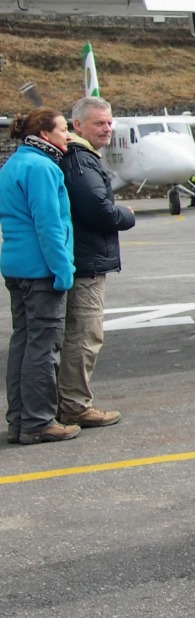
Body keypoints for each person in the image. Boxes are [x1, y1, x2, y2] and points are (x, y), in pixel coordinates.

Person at [56, 96, 135, 432]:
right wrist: (126, 215)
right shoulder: (81, 160)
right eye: (99, 123)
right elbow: (98, 209)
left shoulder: (78, 158)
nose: (107, 128)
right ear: (77, 126)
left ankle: (68, 402)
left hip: (83, 258)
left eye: (109, 122)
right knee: (85, 335)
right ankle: (74, 405)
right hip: (85, 262)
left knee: (78, 334)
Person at [0, 108, 77, 445]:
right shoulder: (43, 168)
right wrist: (64, 271)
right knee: (44, 348)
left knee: (23, 342)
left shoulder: (14, 163)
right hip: (41, 271)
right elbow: (50, 225)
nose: (68, 135)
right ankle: (39, 421)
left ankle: (18, 420)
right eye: (63, 129)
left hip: (16, 268)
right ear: (45, 135)